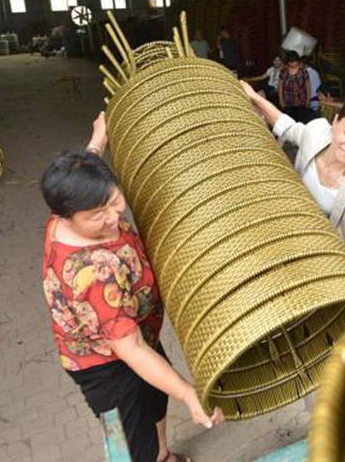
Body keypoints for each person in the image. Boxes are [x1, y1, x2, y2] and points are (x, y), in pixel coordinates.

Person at [40, 113, 223, 462]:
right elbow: (133, 350)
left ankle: (163, 455)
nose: (113, 217)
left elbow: (86, 170)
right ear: (66, 215)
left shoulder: (74, 200)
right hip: (107, 362)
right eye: (97, 214)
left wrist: (99, 138)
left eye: (114, 201)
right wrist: (188, 393)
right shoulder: (94, 275)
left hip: (138, 331)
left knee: (154, 398)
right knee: (135, 438)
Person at [240, 83, 345, 282]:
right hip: (288, 233)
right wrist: (254, 97)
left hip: (326, 258)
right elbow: (287, 126)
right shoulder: (316, 134)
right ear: (335, 121)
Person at [278, 51, 314, 123]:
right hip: (288, 101)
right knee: (289, 121)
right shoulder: (284, 71)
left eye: (295, 61)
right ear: (288, 62)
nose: (293, 64)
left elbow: (308, 86)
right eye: (291, 62)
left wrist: (308, 99)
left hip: (301, 101)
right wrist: (281, 100)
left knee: (301, 121)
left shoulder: (303, 71)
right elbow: (280, 86)